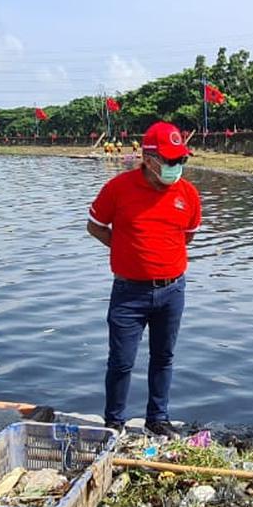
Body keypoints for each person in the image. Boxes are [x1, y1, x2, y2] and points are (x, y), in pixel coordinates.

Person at [87, 121, 201, 438]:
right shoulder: (118, 188)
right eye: (171, 160)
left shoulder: (188, 194)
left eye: (182, 160)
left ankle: (157, 418)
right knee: (122, 361)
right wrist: (125, 248)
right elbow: (95, 226)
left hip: (172, 290)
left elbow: (186, 237)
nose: (177, 167)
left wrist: (158, 258)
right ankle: (114, 422)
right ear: (149, 159)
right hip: (129, 293)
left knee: (163, 357)